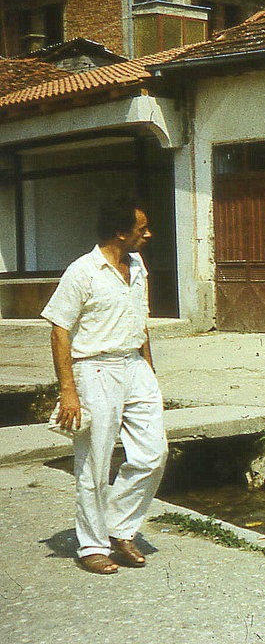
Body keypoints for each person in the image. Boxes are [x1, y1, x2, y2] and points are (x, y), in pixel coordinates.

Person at [41, 197, 168, 575]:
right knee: (95, 463)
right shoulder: (83, 271)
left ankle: (118, 528)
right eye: (141, 229)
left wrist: (149, 369)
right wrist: (68, 390)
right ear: (119, 232)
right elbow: (60, 330)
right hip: (94, 371)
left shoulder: (138, 265)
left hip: (134, 366)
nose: (148, 234)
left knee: (152, 454)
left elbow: (139, 320)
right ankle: (92, 545)